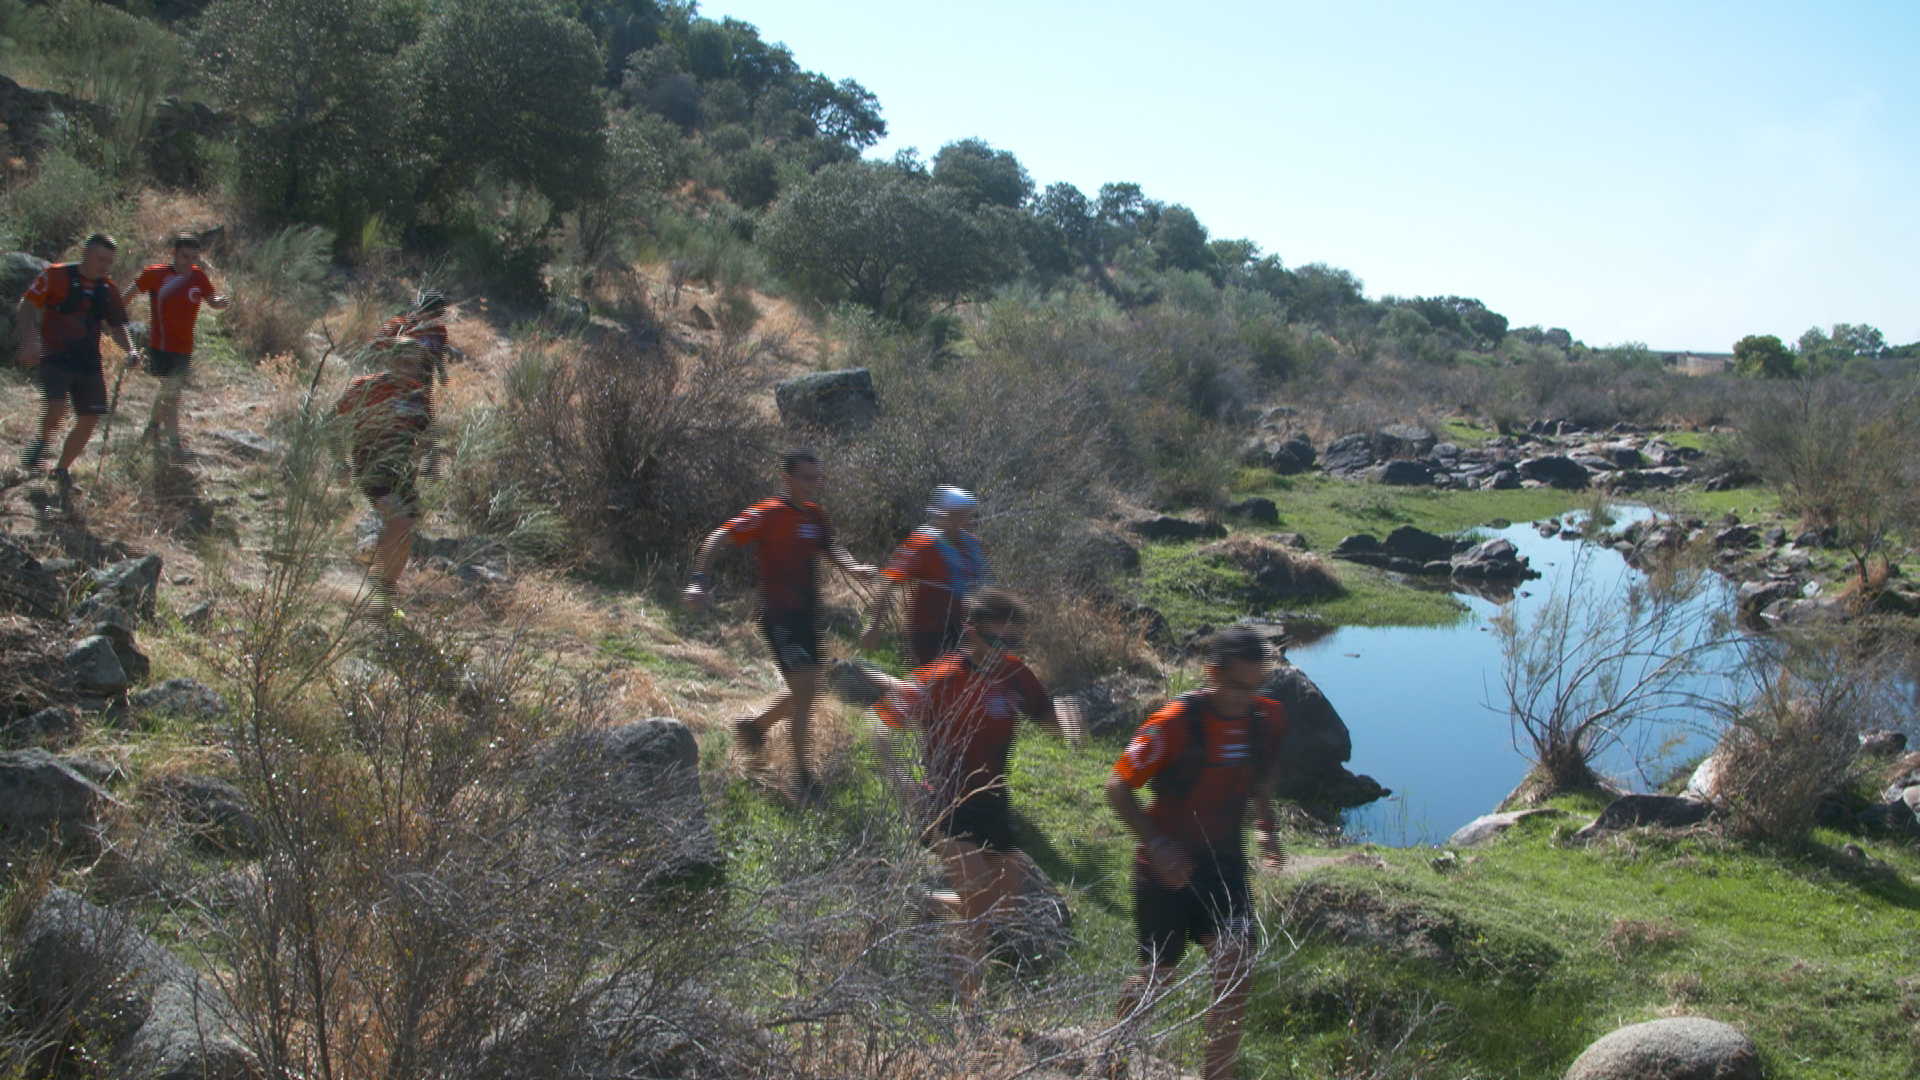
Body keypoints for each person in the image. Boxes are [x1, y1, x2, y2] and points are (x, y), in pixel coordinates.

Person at [855, 588, 1080, 994]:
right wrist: (905, 785)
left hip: (992, 801)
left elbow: (1046, 715)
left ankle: (931, 904)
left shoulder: (1015, 674)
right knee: (976, 900)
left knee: (1008, 910)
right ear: (972, 633)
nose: (1005, 650)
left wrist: (1064, 719)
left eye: (1013, 642)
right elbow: (878, 726)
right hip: (944, 802)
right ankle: (970, 1015)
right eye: (997, 641)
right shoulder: (943, 677)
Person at [1106, 626, 1288, 1080]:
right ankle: (1114, 1053)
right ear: (1212, 672)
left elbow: (1261, 779)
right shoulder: (1173, 724)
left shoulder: (1267, 719)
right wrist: (1157, 844)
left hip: (1224, 867)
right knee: (1157, 978)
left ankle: (1216, 1075)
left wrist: (1267, 830)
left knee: (1235, 971)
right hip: (1164, 868)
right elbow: (1118, 788)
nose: (1246, 696)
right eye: (1237, 685)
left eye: (1255, 685)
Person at [683, 449, 876, 798]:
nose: (813, 484)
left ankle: (755, 728)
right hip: (780, 617)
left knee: (808, 691)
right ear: (787, 478)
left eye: (817, 477)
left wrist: (854, 567)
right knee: (806, 693)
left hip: (806, 616)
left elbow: (830, 546)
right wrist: (699, 580)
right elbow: (718, 537)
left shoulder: (816, 514)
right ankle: (802, 778)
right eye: (805, 477)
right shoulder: (769, 513)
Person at [14, 233, 135, 511]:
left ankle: (62, 470)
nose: (104, 265)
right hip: (55, 355)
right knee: (56, 407)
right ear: (85, 252)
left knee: (89, 418)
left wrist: (131, 350)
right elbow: (27, 304)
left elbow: (117, 325)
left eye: (109, 261)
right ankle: (42, 443)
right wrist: (30, 338)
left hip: (88, 360)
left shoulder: (108, 289)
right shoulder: (56, 275)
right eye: (99, 258)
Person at [335, 336, 438, 609]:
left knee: (405, 533)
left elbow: (426, 434)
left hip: (402, 474)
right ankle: (376, 592)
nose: (407, 369)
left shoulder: (418, 395)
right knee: (399, 520)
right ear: (390, 360)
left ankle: (384, 594)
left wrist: (427, 459)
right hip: (372, 465)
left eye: (413, 364)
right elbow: (330, 423)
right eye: (401, 362)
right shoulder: (366, 388)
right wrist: (339, 463)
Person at [859, 485, 989, 667]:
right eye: (960, 514)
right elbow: (888, 581)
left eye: (968, 514)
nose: (967, 519)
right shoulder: (923, 544)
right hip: (928, 636)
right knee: (931, 689)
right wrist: (874, 627)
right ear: (945, 514)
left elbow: (982, 589)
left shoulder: (974, 546)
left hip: (966, 635)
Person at [124, 232, 229, 458]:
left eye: (193, 257)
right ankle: (175, 444)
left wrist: (219, 303)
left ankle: (151, 429)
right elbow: (129, 294)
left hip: (185, 346)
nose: (189, 262)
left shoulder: (197, 276)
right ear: (173, 253)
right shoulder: (155, 274)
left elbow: (211, 299)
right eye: (184, 256)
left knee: (167, 391)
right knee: (172, 394)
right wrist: (113, 316)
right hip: (161, 345)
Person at [373, 291, 452, 383]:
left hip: (424, 379)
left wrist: (441, 372)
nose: (432, 319)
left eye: (436, 316)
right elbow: (377, 348)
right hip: (400, 377)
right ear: (421, 310)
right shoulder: (401, 326)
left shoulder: (438, 331)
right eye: (429, 315)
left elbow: (438, 355)